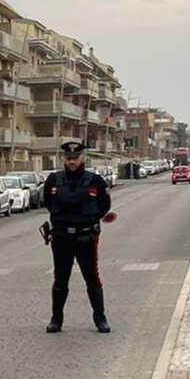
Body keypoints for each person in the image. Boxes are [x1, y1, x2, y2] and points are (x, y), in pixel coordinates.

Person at [43, 141, 112, 334]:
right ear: (64, 159)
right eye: (68, 158)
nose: (72, 161)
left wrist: (87, 220)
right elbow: (48, 203)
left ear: (83, 158)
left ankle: (100, 318)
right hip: (61, 236)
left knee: (92, 278)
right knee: (60, 279)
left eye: (75, 158)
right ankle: (56, 319)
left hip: (86, 236)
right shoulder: (53, 180)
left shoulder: (95, 181)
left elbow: (104, 205)